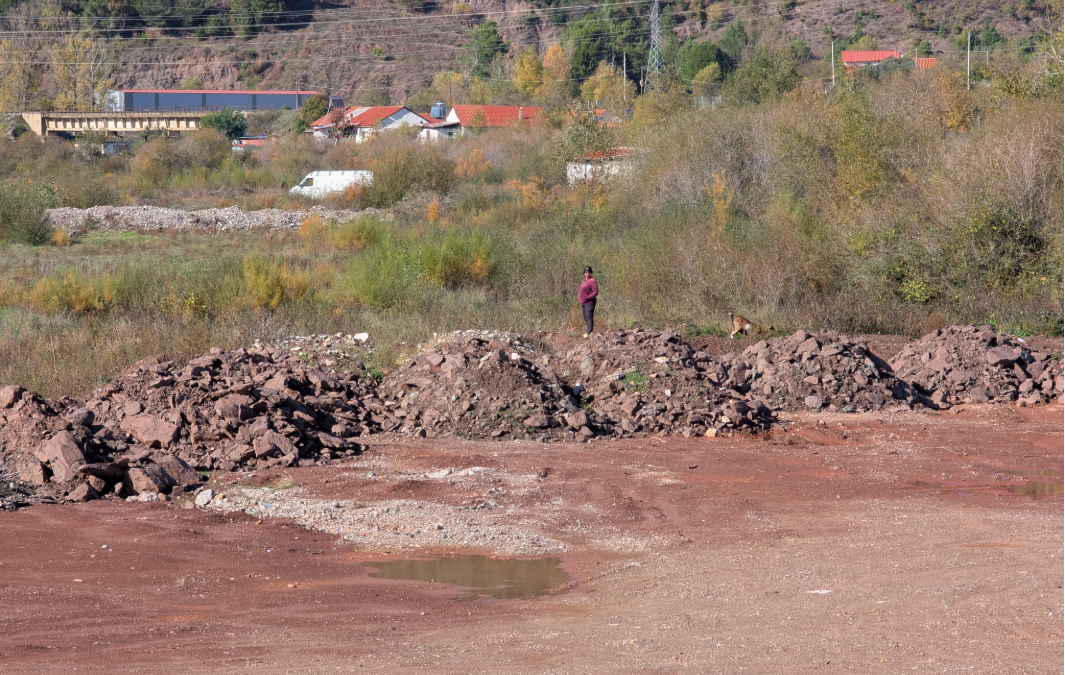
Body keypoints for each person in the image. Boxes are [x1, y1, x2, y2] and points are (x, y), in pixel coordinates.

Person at [578, 266, 598, 338]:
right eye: (586, 272)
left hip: (590, 302)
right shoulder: (584, 281)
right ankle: (588, 332)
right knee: (585, 317)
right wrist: (580, 299)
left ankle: (589, 333)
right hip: (583, 302)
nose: (587, 274)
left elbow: (595, 292)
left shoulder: (592, 281)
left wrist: (588, 297)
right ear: (584, 273)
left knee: (589, 317)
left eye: (589, 272)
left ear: (591, 273)